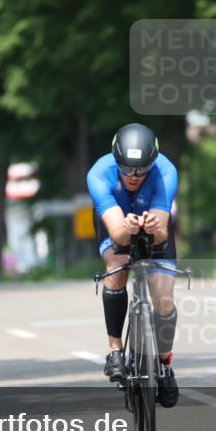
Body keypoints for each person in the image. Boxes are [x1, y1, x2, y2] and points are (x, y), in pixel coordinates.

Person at [86, 123, 179, 408]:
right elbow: (117, 235)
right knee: (116, 267)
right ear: (116, 161)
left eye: (141, 170)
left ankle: (164, 363)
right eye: (126, 169)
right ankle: (114, 349)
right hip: (117, 222)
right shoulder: (99, 174)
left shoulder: (166, 172)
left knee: (163, 299)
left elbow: (161, 233)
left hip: (154, 223)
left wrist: (153, 226)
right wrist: (127, 228)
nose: (134, 176)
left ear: (152, 163)